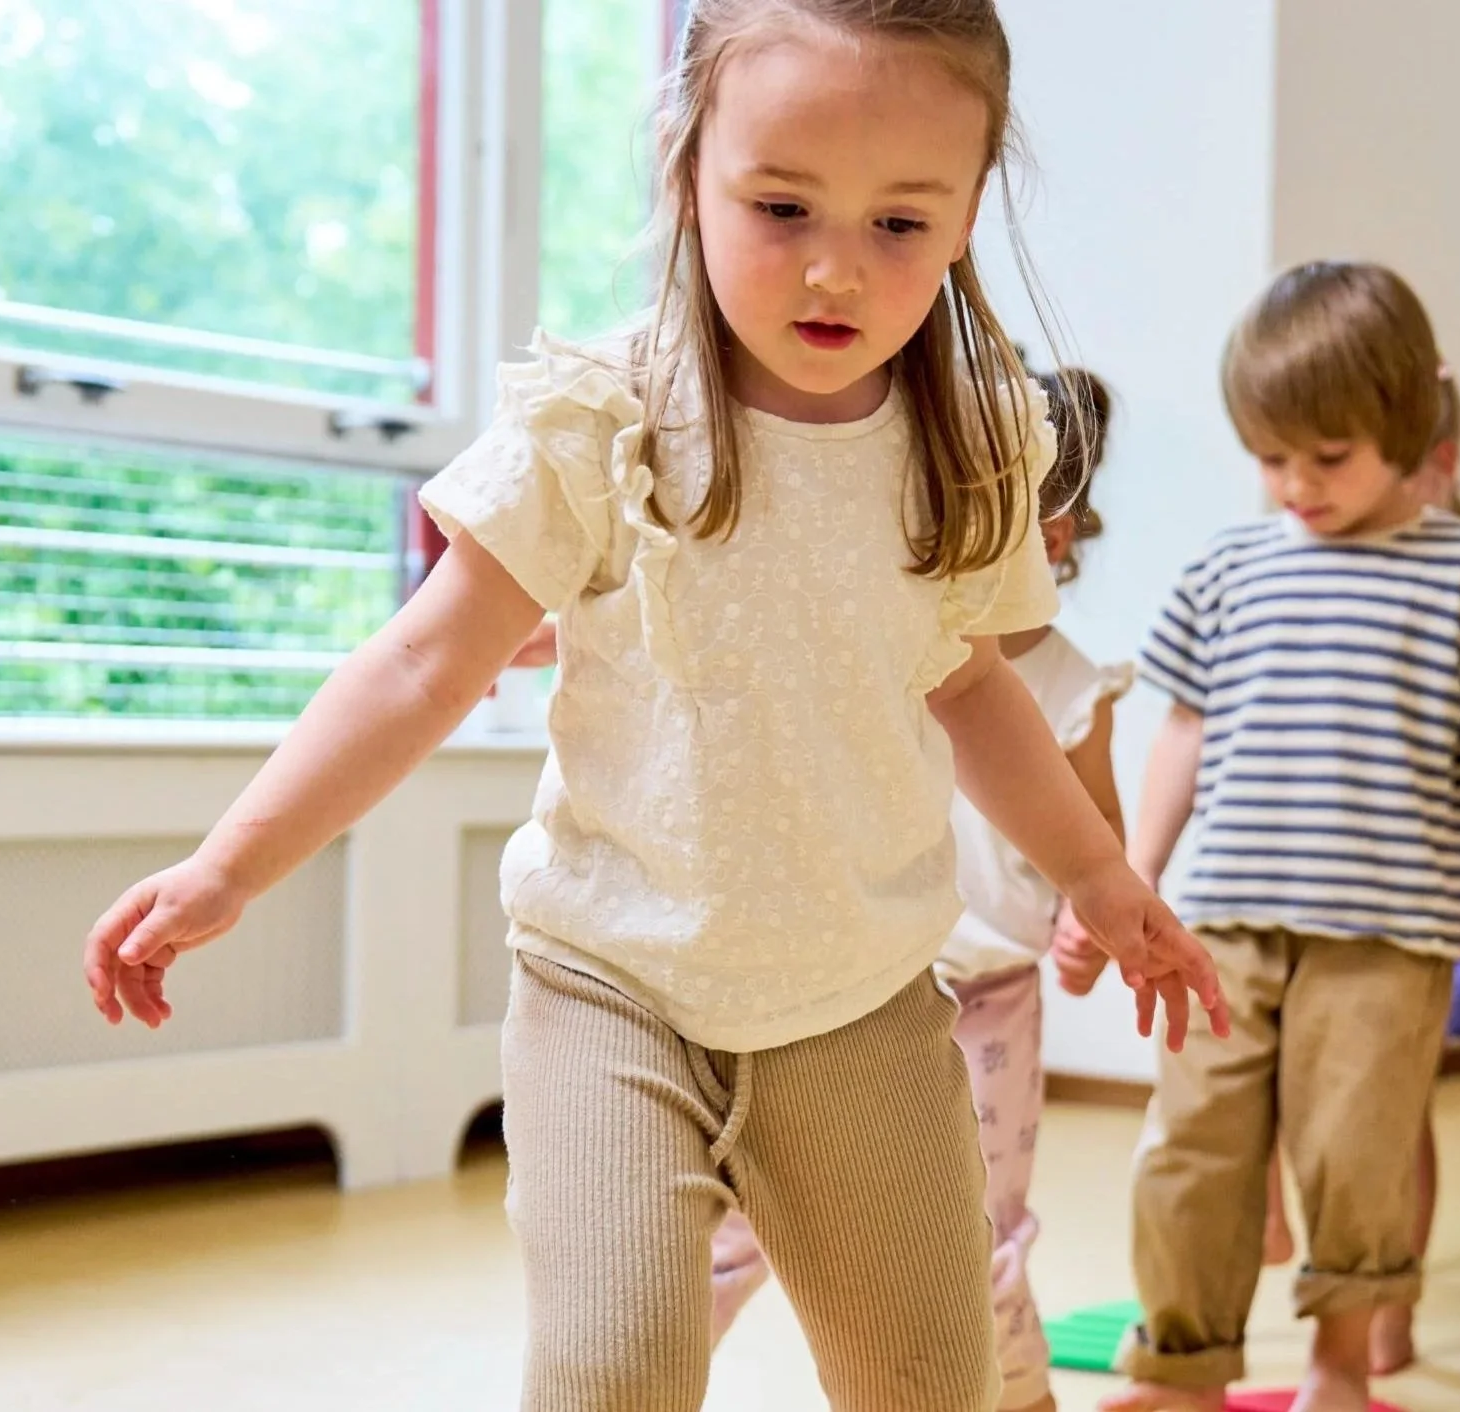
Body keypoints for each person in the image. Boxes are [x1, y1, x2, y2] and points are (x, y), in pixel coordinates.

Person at [78, 4, 1230, 1409]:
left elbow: (972, 678)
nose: (833, 268)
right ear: (689, 167)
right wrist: (229, 863)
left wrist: (1100, 875)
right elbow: (423, 662)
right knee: (611, 1369)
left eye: (897, 224)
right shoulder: (601, 418)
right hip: (609, 988)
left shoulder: (972, 445)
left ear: (967, 212)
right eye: (781, 206)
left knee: (931, 1381)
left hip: (859, 995)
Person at [1057, 261, 1460, 1412]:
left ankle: (1338, 1363)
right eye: (1271, 457)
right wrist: (1134, 874)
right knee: (1192, 1143)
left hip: (1386, 933)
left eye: (1327, 457)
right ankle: (1182, 1365)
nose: (1295, 484)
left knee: (1356, 1151)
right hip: (1223, 923)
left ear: (1409, 427)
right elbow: (1183, 730)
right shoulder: (1230, 567)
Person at [704, 365, 1128, 1412]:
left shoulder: (1072, 686)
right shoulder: (888, 640)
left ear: (1052, 537)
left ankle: (1019, 1395)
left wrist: (1087, 922)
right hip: (847, 979)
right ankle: (639, 1375)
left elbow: (1098, 845)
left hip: (986, 997)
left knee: (977, 1226)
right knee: (742, 1216)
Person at [1250, 371, 1460, 1379]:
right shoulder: (1288, 564)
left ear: (1435, 467)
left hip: (1405, 898)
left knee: (1390, 1109)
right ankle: (1288, 1232)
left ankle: (1384, 1308)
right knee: (1276, 1084)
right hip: (1287, 882)